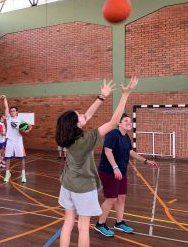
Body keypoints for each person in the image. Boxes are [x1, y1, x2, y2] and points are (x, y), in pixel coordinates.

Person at [55, 77, 138, 247]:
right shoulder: (86, 139)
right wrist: (125, 95)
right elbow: (114, 121)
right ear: (76, 125)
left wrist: (102, 97)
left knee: (68, 223)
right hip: (83, 188)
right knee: (83, 227)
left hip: (67, 185)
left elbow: (87, 115)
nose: (83, 114)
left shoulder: (67, 137)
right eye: (79, 116)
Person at [95, 113, 158, 237]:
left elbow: (131, 152)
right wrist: (115, 167)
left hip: (121, 171)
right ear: (119, 123)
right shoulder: (113, 134)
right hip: (109, 171)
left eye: (130, 121)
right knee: (111, 198)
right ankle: (100, 224)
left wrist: (146, 161)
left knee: (121, 197)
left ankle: (119, 223)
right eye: (126, 121)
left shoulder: (126, 137)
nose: (129, 123)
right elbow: (108, 152)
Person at [0, 95, 32, 183]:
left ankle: (23, 175)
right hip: (9, 140)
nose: (12, 112)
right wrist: (5, 98)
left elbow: (30, 126)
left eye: (13, 111)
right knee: (7, 158)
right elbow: (6, 107)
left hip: (18, 141)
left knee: (22, 158)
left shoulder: (21, 120)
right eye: (11, 111)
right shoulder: (8, 118)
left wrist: (27, 131)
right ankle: (7, 174)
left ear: (17, 112)